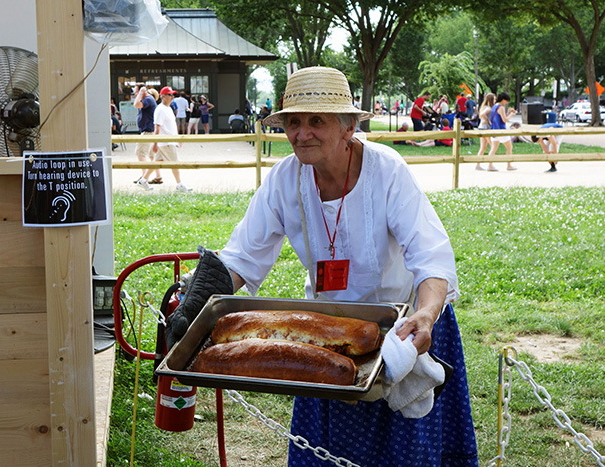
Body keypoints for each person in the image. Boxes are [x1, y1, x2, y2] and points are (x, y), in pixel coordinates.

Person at [165, 66, 478, 467]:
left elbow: (430, 254)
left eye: (317, 121)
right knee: (328, 451)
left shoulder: (387, 170)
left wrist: (427, 312)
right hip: (329, 332)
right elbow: (242, 256)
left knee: (406, 452)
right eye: (294, 122)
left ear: (348, 127)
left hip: (407, 327)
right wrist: (195, 303)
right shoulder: (284, 180)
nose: (302, 133)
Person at [135, 86, 192, 192]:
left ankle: (143, 180)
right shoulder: (160, 109)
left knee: (157, 162)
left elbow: (171, 126)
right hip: (166, 142)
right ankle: (179, 184)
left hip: (168, 141)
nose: (172, 97)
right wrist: (155, 143)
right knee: (175, 163)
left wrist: (177, 138)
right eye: (170, 95)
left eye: (173, 95)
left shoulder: (168, 108)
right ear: (163, 96)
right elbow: (157, 128)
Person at [132, 84, 159, 183]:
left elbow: (135, 105)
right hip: (149, 130)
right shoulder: (148, 99)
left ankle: (144, 178)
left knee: (140, 153)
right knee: (152, 156)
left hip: (147, 131)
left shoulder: (148, 99)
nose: (135, 94)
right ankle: (158, 176)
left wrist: (141, 93)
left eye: (136, 91)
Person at [486, 92, 518, 171]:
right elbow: (504, 120)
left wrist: (509, 113)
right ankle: (509, 165)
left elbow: (500, 117)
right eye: (506, 101)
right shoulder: (501, 107)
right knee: (509, 147)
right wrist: (511, 115)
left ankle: (490, 165)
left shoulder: (494, 107)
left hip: (494, 130)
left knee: (493, 149)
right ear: (503, 100)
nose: (506, 103)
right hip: (501, 131)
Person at [475, 93, 496, 170]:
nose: (495, 100)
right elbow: (482, 114)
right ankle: (490, 164)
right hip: (486, 129)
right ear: (491, 100)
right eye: (494, 99)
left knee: (483, 147)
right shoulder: (488, 108)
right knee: (493, 146)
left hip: (482, 128)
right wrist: (486, 120)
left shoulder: (485, 107)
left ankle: (478, 164)